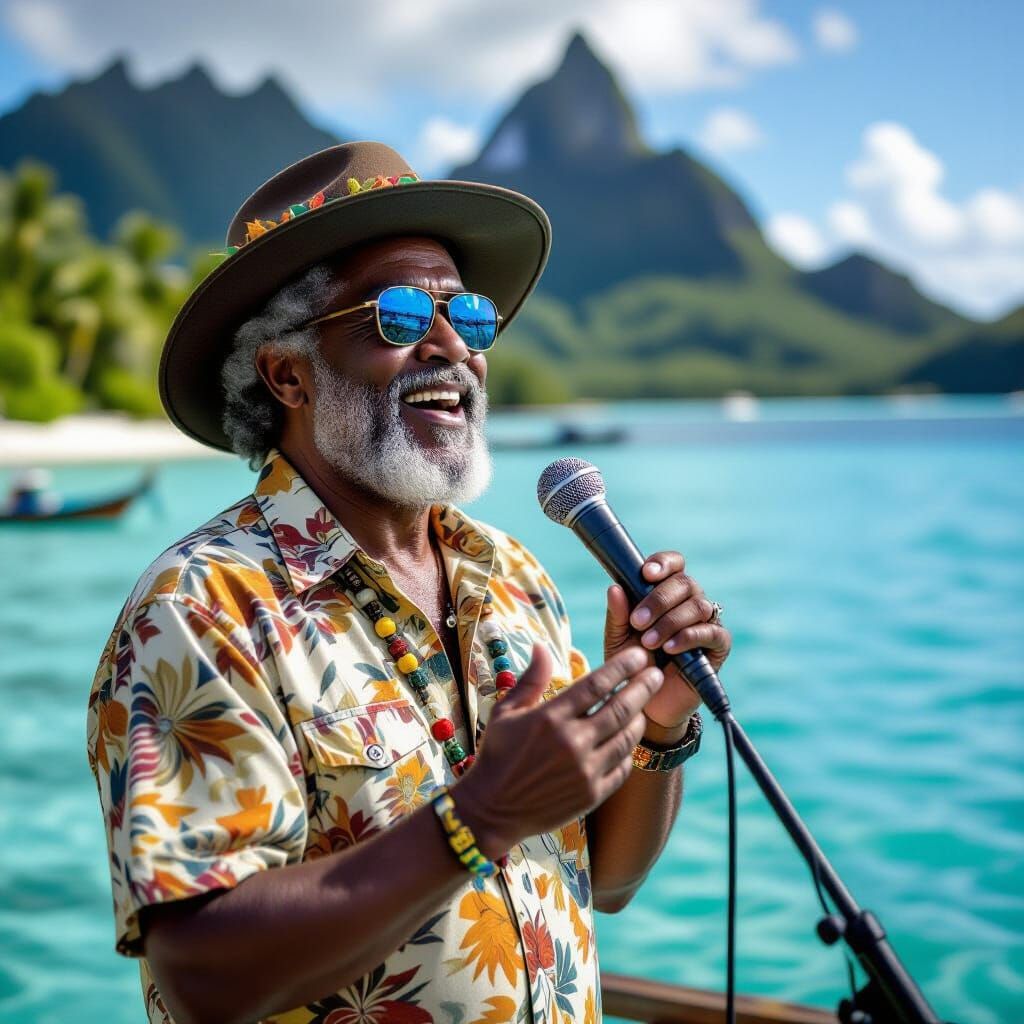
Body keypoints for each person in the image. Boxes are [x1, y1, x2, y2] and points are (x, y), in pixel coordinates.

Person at [87, 142, 732, 1024]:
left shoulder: (511, 575)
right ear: (288, 374)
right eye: (396, 316)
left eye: (468, 316)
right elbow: (200, 973)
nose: (449, 348)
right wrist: (480, 816)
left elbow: (605, 881)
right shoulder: (203, 607)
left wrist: (660, 719)